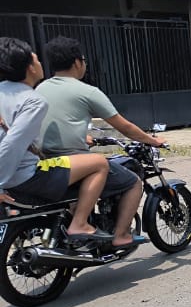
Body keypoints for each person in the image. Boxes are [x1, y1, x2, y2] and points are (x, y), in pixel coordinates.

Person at [37, 36, 166, 248]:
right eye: (84, 60)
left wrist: (82, 138)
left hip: (46, 161)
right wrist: (153, 140)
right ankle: (121, 235)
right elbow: (124, 127)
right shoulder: (87, 91)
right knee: (133, 182)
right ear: (77, 62)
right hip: (73, 161)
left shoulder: (40, 89)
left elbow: (55, 122)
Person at [0, 37, 113, 243]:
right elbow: (12, 144)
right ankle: (80, 224)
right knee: (99, 163)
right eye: (36, 60)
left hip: (12, 173)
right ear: (30, 68)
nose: (41, 63)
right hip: (25, 177)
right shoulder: (33, 100)